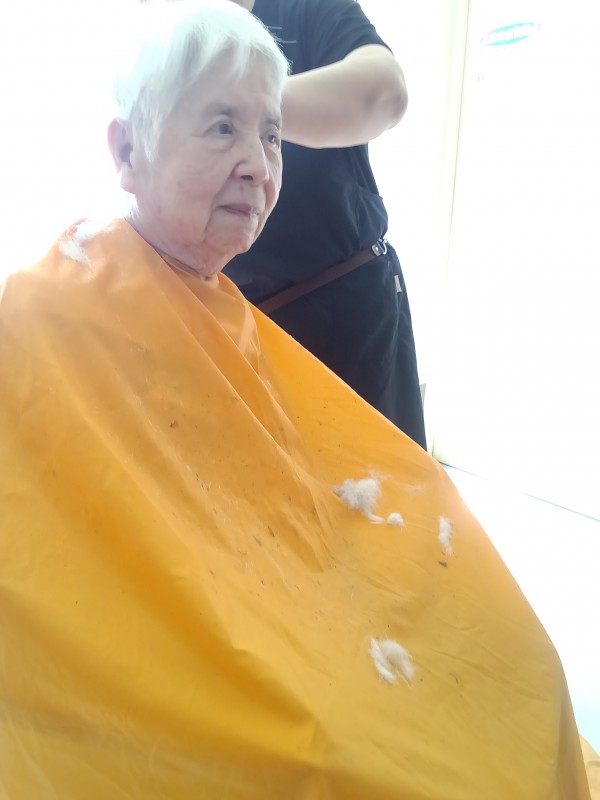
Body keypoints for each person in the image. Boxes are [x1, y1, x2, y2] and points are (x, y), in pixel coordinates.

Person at [0, 1, 591, 798]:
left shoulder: (215, 306)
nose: (258, 164)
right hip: (169, 660)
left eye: (272, 134)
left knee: (515, 657)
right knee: (347, 758)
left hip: (275, 600)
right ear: (127, 150)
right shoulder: (48, 308)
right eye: (222, 129)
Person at [224, 0, 427, 449]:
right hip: (230, 331)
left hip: (347, 315)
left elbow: (385, 91)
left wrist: (238, 110)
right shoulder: (165, 28)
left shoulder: (305, 8)